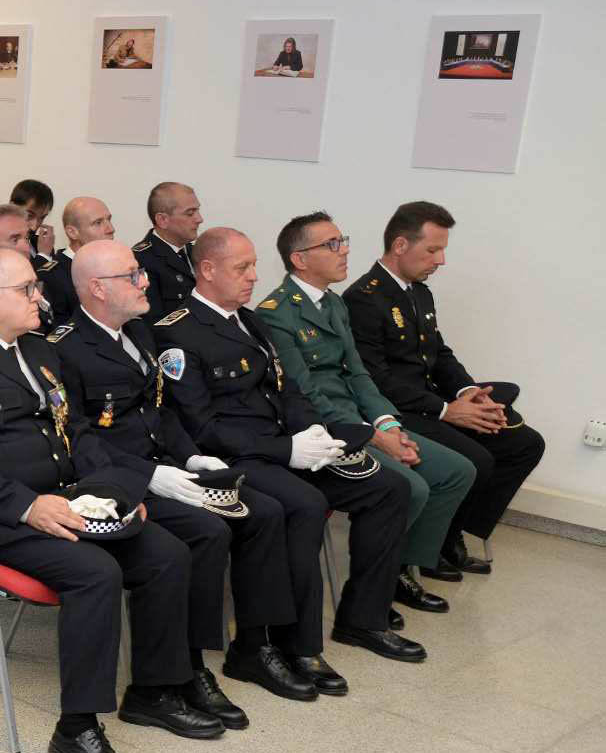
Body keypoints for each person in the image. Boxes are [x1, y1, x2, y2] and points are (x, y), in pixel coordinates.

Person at [0, 248, 208, 753]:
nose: (39, 296)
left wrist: (115, 492)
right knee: (96, 572)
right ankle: (77, 727)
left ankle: (153, 692)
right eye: (26, 289)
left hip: (65, 498)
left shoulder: (40, 351)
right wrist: (27, 507)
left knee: (166, 553)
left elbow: (80, 434)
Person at [49, 240, 326, 706]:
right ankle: (188, 665)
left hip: (166, 464)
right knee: (207, 532)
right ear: (96, 288)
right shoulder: (64, 349)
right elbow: (78, 437)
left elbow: (160, 413)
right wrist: (148, 476)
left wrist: (191, 456)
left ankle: (253, 646)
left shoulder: (138, 333)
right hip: (117, 479)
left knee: (261, 512)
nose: (145, 282)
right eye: (132, 276)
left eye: (141, 272)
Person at [157, 227, 423, 662]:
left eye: (254, 266)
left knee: (387, 489)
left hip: (284, 444)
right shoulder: (178, 333)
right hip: (238, 457)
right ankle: (291, 645)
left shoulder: (249, 320)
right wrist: (288, 450)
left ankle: (364, 618)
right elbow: (200, 426)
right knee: (302, 505)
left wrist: (310, 432)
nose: (253, 277)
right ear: (206, 270)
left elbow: (288, 390)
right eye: (242, 268)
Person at [256, 211, 475, 614]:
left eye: (344, 240)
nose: (346, 251)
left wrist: (387, 423)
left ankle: (396, 571)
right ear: (300, 259)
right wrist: (371, 435)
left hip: (360, 418)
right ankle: (376, 582)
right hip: (327, 428)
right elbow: (302, 392)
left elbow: (358, 374)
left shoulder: (335, 305)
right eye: (332, 244)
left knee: (455, 471)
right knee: (411, 486)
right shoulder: (276, 312)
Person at [346, 200, 543, 574]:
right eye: (433, 249)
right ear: (401, 245)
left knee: (524, 444)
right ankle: (432, 548)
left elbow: (440, 353)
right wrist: (447, 410)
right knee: (478, 460)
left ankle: (453, 532)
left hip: (432, 402)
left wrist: (468, 393)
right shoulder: (363, 299)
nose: (441, 261)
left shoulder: (419, 291)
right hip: (396, 410)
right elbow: (374, 378)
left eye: (443, 250)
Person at [133, 182, 203, 315]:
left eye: (198, 210)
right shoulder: (138, 261)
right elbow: (150, 323)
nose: (199, 219)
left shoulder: (198, 251)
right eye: (190, 213)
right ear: (163, 220)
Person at [42, 195, 114, 318]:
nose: (111, 229)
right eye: (98, 223)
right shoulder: (51, 277)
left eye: (109, 219)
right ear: (72, 232)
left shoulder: (116, 266)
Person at [10, 178, 57, 254]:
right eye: (29, 216)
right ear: (12, 207)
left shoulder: (41, 244)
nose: (34, 227)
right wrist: (43, 256)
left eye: (42, 218)